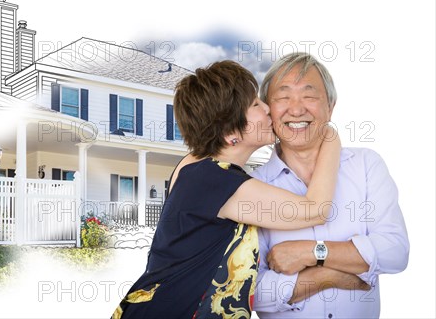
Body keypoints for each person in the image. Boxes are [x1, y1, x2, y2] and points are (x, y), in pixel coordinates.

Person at [112, 60, 341, 319]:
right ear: (230, 128)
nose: (267, 108)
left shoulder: (195, 166)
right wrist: (330, 137)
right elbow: (316, 210)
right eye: (255, 104)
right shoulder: (214, 180)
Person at [252, 52, 410, 318]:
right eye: (283, 97)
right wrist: (327, 275)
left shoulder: (366, 166)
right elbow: (251, 291)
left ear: (331, 106)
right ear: (268, 110)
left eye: (309, 95)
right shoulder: (253, 187)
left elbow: (395, 251)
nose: (297, 108)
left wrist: (312, 252)